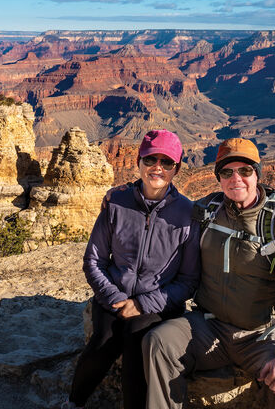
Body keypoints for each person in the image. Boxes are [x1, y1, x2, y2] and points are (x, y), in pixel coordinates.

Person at [142, 137, 275, 408]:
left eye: (245, 171)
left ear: (257, 174)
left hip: (259, 335)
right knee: (158, 342)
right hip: (206, 326)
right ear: (218, 178)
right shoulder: (207, 211)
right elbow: (160, 213)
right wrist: (120, 199)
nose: (236, 178)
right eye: (227, 172)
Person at [63, 129, 201, 409]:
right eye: (150, 160)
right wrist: (114, 297)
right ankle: (74, 403)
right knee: (102, 343)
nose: (157, 169)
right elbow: (94, 260)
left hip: (159, 303)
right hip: (113, 295)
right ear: (138, 162)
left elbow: (188, 280)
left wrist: (142, 303)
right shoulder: (116, 203)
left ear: (177, 168)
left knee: (137, 345)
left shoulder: (188, 214)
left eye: (167, 162)